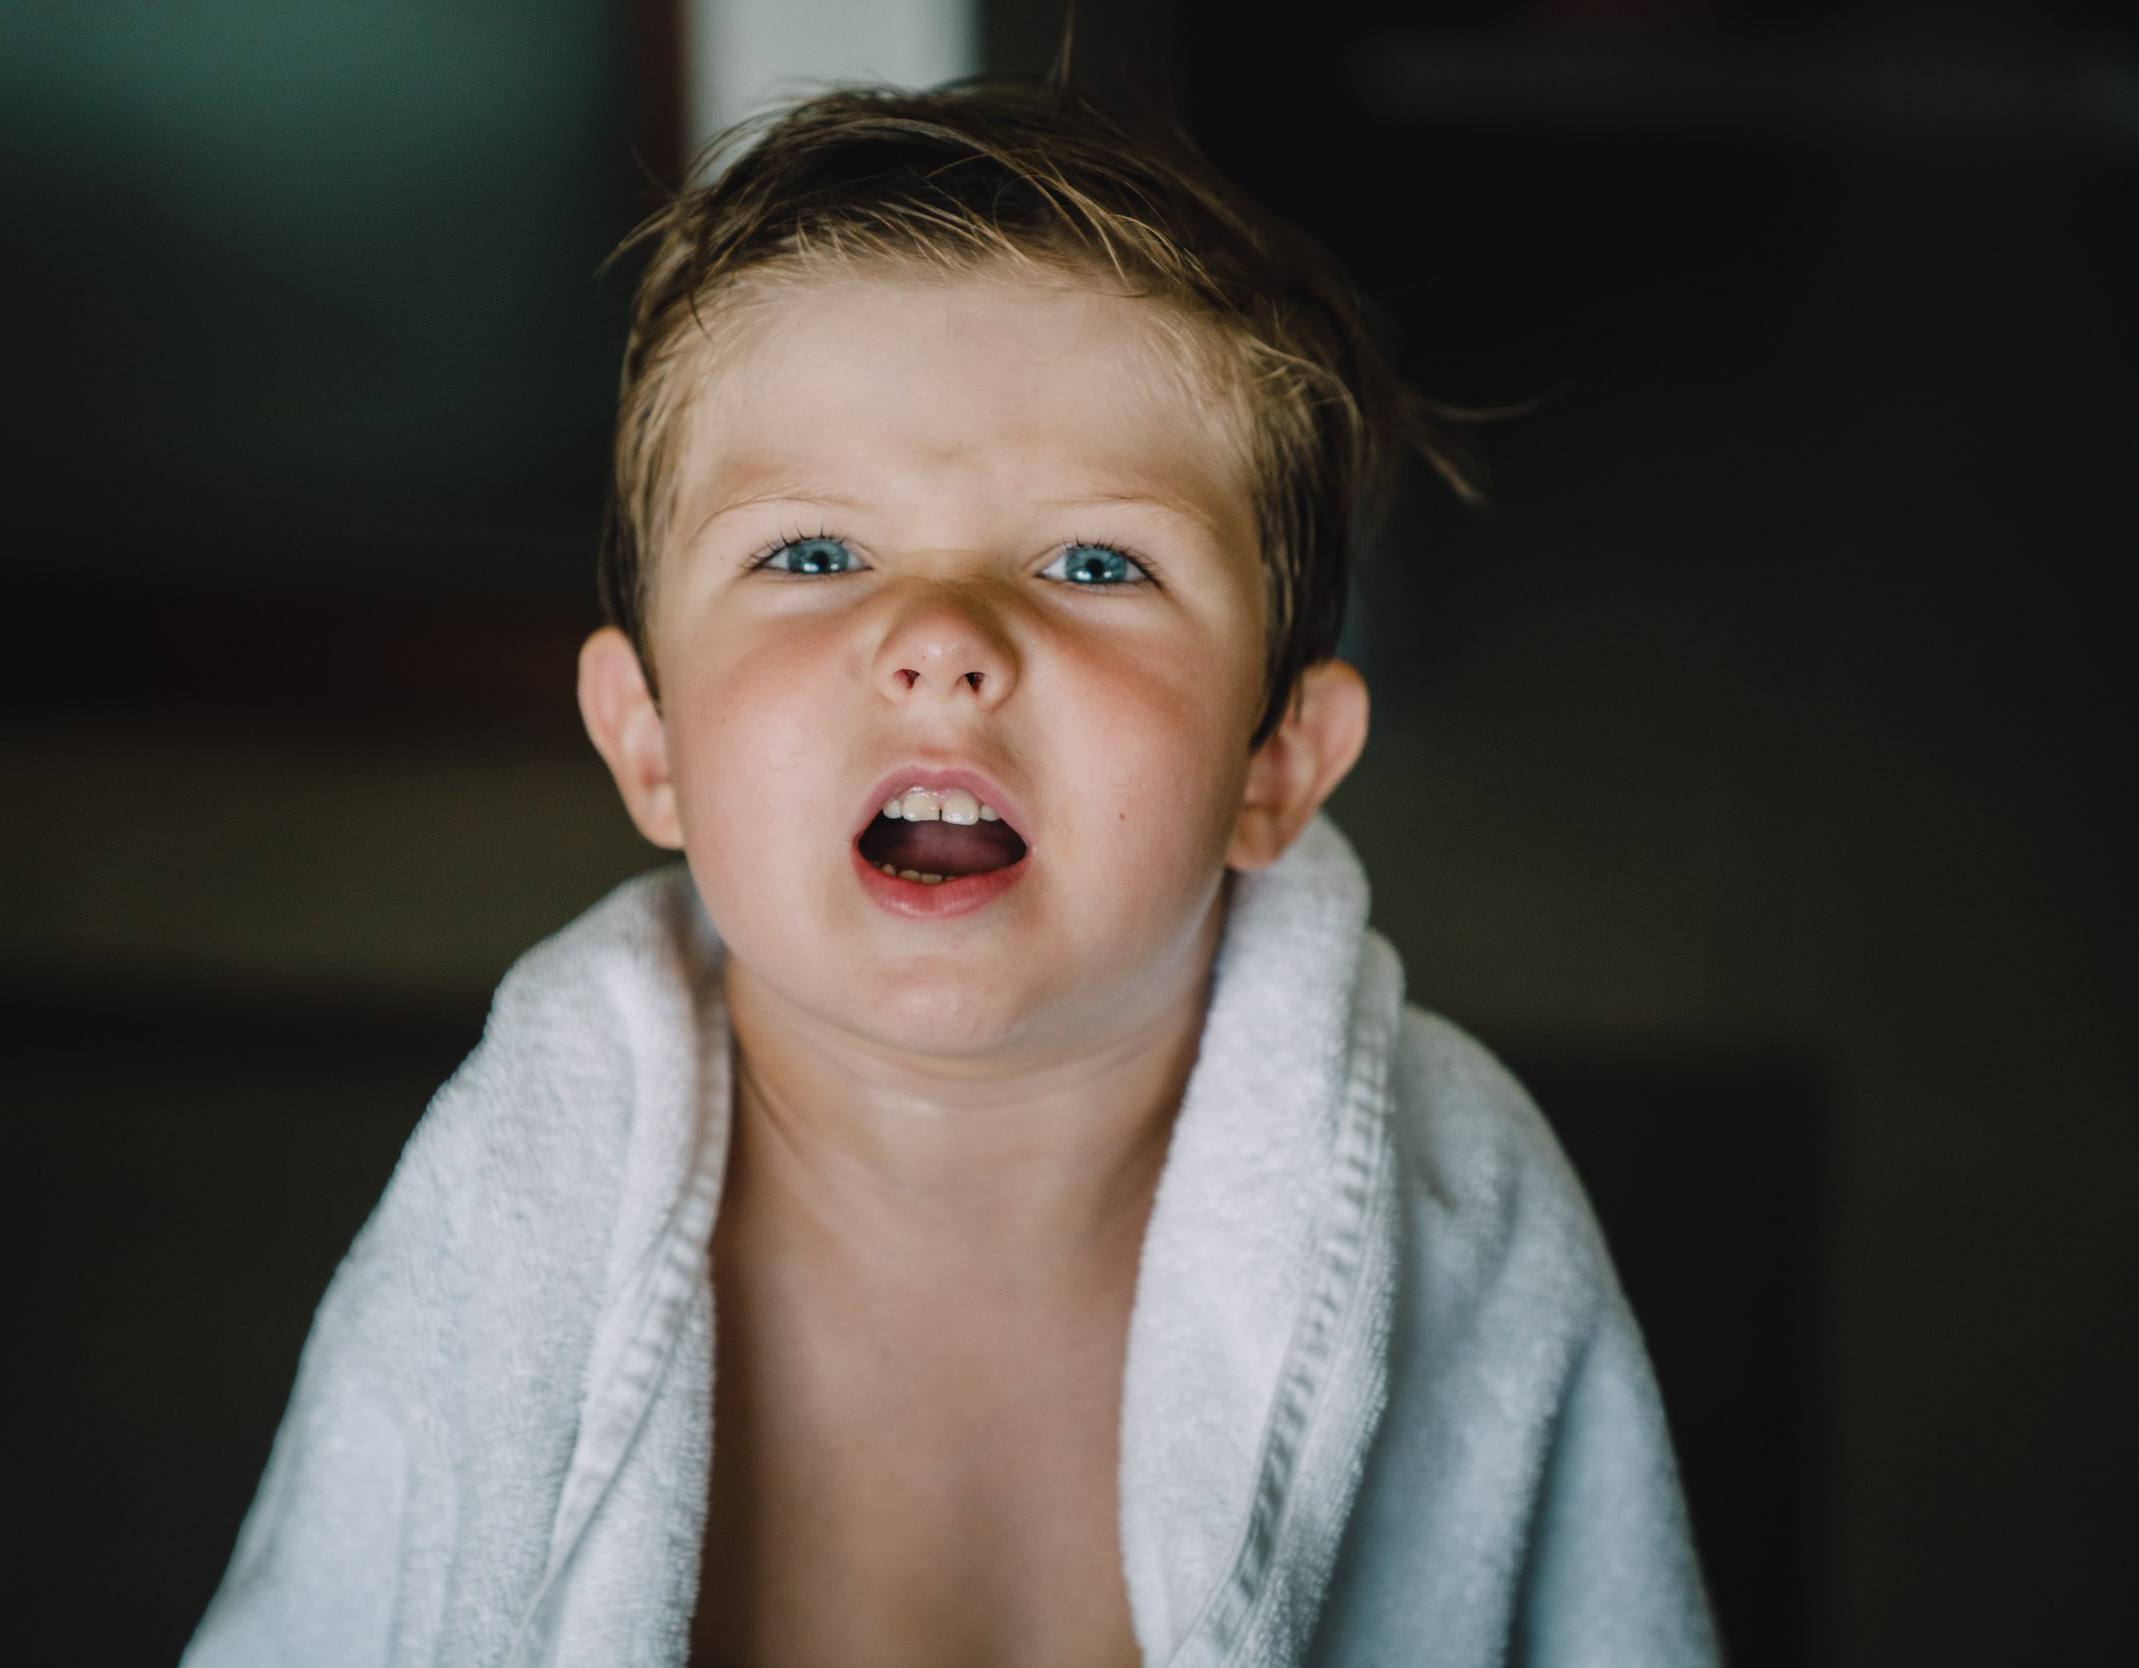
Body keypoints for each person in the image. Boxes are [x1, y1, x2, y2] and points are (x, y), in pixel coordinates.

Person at [184, 79, 1718, 1668]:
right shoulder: (504, 1227)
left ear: (1279, 768)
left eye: (1095, 562)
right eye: (814, 554)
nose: (940, 639)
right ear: (649, 745)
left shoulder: (1459, 1218)